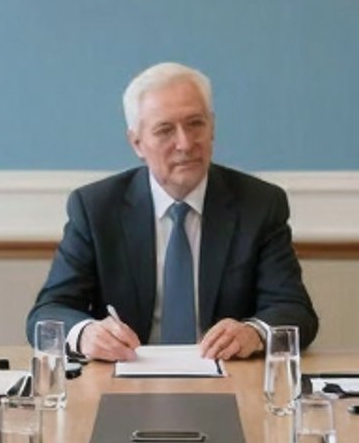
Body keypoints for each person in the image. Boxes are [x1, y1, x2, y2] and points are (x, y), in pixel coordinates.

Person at [26, 61, 317, 360]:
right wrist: (85, 333)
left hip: (230, 379)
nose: (185, 143)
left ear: (212, 126)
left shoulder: (259, 204)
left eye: (195, 124)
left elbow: (295, 311)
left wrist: (254, 333)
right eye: (165, 130)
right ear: (137, 142)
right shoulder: (97, 208)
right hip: (124, 382)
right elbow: (48, 313)